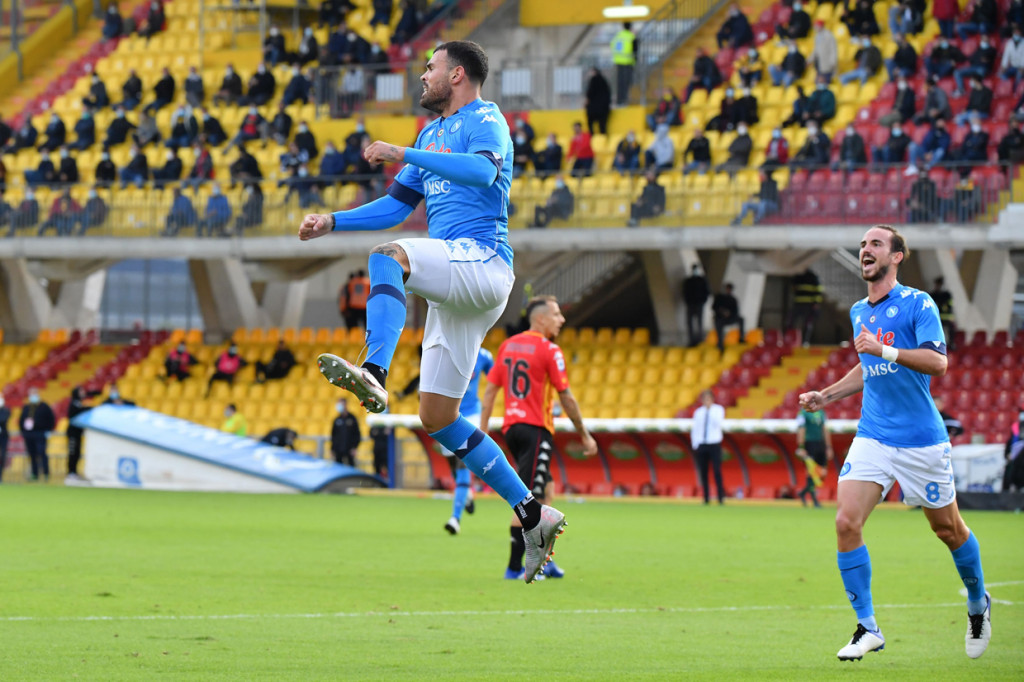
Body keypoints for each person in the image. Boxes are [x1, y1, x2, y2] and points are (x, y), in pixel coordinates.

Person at [299, 41, 571, 584]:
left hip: (483, 261)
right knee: (438, 417)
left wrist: (404, 153)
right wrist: (333, 221)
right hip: (457, 280)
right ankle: (533, 514)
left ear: (458, 74)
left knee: (388, 259)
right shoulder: (429, 134)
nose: (422, 76)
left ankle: (373, 370)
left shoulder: (487, 119)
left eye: (430, 68)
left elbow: (480, 173)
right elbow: (397, 207)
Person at [798, 224, 990, 661]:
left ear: (896, 256)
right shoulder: (857, 311)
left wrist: (884, 350)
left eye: (875, 244)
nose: (865, 250)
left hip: (921, 441)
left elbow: (938, 363)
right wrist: (824, 396)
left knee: (948, 530)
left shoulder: (918, 303)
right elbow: (867, 368)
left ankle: (978, 603)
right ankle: (867, 627)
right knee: (846, 523)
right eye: (863, 244)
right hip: (874, 435)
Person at [480, 295, 597, 580]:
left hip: (513, 428)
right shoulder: (549, 350)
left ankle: (545, 560)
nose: (562, 320)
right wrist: (584, 434)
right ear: (541, 319)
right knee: (527, 500)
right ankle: (514, 567)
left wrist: (482, 432)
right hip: (535, 428)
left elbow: (490, 392)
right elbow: (566, 397)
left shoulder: (508, 346)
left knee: (547, 491)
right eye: (557, 314)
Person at [441, 347, 493, 535]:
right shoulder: (447, 350)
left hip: (471, 414)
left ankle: (455, 518)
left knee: (462, 462)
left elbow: (495, 379)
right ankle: (467, 494)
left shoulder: (484, 356)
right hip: (447, 414)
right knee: (452, 463)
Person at [795, 404, 834, 507]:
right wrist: (801, 447)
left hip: (820, 444)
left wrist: (828, 447)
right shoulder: (803, 413)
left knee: (822, 473)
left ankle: (803, 493)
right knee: (811, 473)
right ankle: (814, 500)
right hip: (809, 444)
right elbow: (801, 430)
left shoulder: (821, 412)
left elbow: (825, 429)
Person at [691, 389, 726, 504]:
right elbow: (695, 429)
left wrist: (709, 410)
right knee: (703, 472)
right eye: (705, 399)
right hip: (702, 444)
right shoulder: (698, 412)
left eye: (709, 399)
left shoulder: (718, 410)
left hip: (714, 443)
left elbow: (718, 423)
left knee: (717, 471)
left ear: (712, 399)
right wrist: (695, 444)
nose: (707, 401)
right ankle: (706, 498)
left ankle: (720, 498)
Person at [66, 385, 102, 481]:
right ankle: (71, 472)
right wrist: (90, 408)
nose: (83, 393)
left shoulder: (78, 403)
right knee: (73, 452)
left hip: (78, 433)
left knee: (77, 452)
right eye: (81, 391)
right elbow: (76, 413)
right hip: (73, 433)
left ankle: (74, 472)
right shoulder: (74, 404)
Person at [20, 388, 55, 481]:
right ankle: (34, 473)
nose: (33, 396)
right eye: (31, 394)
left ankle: (46, 473)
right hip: (29, 434)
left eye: (34, 393)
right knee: (32, 454)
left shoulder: (44, 406)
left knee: (42, 453)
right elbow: (21, 420)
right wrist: (23, 432)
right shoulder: (27, 407)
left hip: (41, 433)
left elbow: (51, 419)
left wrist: (48, 430)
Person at [788, 269, 823, 346]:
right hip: (800, 304)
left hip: (807, 305)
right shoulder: (798, 276)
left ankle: (804, 341)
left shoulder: (812, 276)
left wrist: (816, 303)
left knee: (807, 324)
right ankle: (791, 340)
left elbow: (818, 290)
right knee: (792, 323)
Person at [683, 264, 710, 346]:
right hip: (690, 304)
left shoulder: (702, 280)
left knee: (699, 322)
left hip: (699, 303)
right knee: (690, 323)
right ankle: (692, 341)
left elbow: (707, 291)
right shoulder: (688, 281)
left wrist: (703, 301)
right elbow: (685, 292)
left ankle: (700, 340)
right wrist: (688, 301)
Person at [713, 282, 745, 352]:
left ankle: (741, 338)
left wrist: (729, 314)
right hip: (720, 318)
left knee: (741, 319)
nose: (728, 290)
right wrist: (722, 312)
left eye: (729, 289)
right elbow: (714, 308)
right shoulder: (719, 297)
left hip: (730, 318)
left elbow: (736, 312)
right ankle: (720, 344)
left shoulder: (733, 299)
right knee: (718, 323)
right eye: (727, 289)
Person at [610, 22, 636, 105]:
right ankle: (625, 99)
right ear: (630, 27)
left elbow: (612, 45)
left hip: (618, 61)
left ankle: (619, 100)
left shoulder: (618, 36)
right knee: (627, 82)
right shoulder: (631, 36)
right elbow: (635, 49)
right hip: (628, 62)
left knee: (620, 82)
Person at [331, 398, 361, 466]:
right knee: (338, 468)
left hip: (349, 450)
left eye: (340, 404)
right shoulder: (337, 419)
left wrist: (354, 447)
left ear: (345, 405)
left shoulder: (352, 418)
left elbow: (357, 434)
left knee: (351, 468)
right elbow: (333, 435)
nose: (339, 406)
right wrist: (332, 449)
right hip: (338, 450)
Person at [930, 277, 956, 349]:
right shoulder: (932, 295)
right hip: (936, 318)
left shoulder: (947, 295)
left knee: (952, 329)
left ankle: (951, 344)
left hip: (947, 318)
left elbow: (950, 306)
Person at [584, 67, 611, 136]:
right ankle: (603, 138)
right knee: (602, 126)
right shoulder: (604, 81)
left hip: (594, 109)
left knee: (590, 123)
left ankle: (592, 135)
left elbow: (590, 93)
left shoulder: (593, 80)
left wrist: (586, 104)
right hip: (604, 109)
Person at [0, 395, 9, 483]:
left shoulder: (6, 411)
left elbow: (3, 420)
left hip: (3, 436)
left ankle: (0, 476)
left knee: (2, 456)